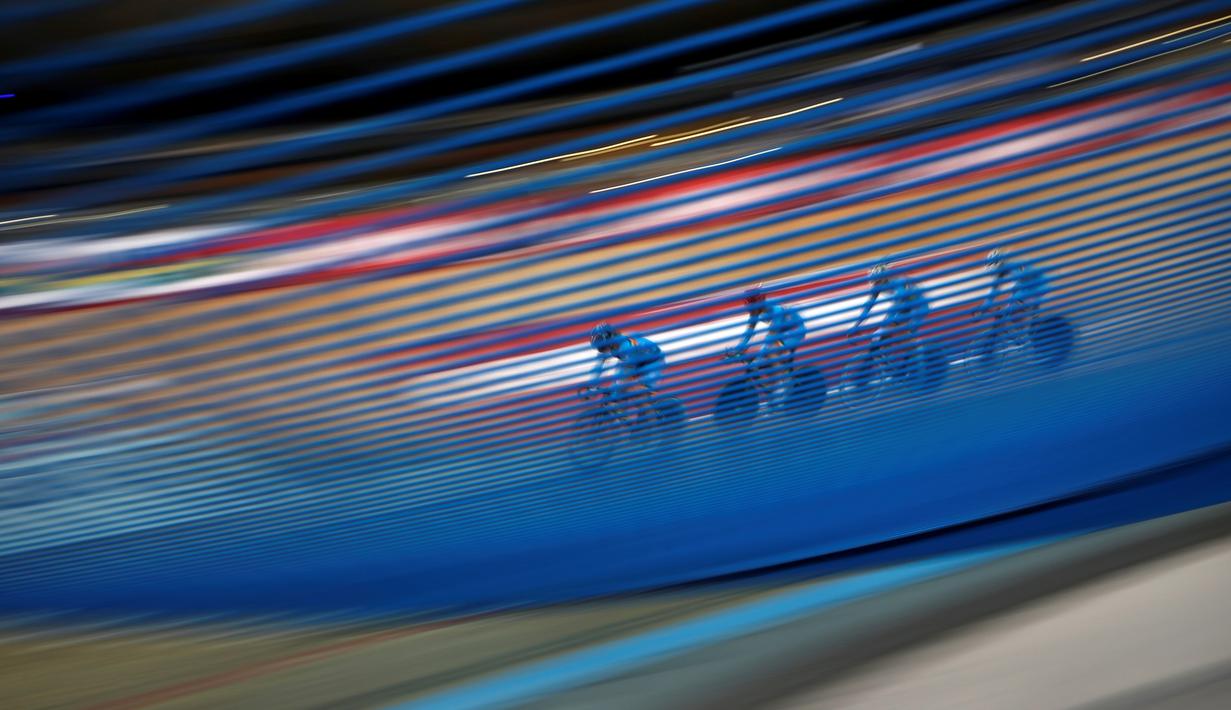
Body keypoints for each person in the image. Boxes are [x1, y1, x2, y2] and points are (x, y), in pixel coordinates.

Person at [727, 285, 807, 382]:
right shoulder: (756, 312)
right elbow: (748, 333)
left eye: (752, 306)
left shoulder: (776, 310)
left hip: (795, 331)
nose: (750, 310)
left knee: (772, 351)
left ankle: (783, 384)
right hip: (783, 331)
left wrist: (757, 361)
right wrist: (737, 350)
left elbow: (770, 338)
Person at [585, 322, 665, 417]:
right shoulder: (611, 345)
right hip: (635, 361)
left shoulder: (626, 347)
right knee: (619, 389)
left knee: (639, 394)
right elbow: (598, 368)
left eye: (603, 347)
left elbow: (626, 375)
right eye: (600, 349)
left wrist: (615, 393)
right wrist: (591, 385)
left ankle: (652, 423)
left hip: (652, 363)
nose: (603, 350)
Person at [851, 262, 930, 348]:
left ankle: (919, 352)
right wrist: (856, 325)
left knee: (905, 335)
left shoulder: (899, 282)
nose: (875, 285)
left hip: (919, 306)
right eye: (873, 282)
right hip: (905, 306)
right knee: (886, 332)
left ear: (884, 279)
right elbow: (868, 307)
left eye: (877, 282)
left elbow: (897, 303)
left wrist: (887, 321)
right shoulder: (878, 285)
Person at [981, 247, 1047, 321]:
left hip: (1038, 285)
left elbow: (1024, 285)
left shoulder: (1014, 265)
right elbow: (995, 288)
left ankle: (1033, 316)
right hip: (1032, 284)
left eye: (996, 270)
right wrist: (985, 305)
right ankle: (1034, 315)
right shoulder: (1004, 266)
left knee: (1016, 307)